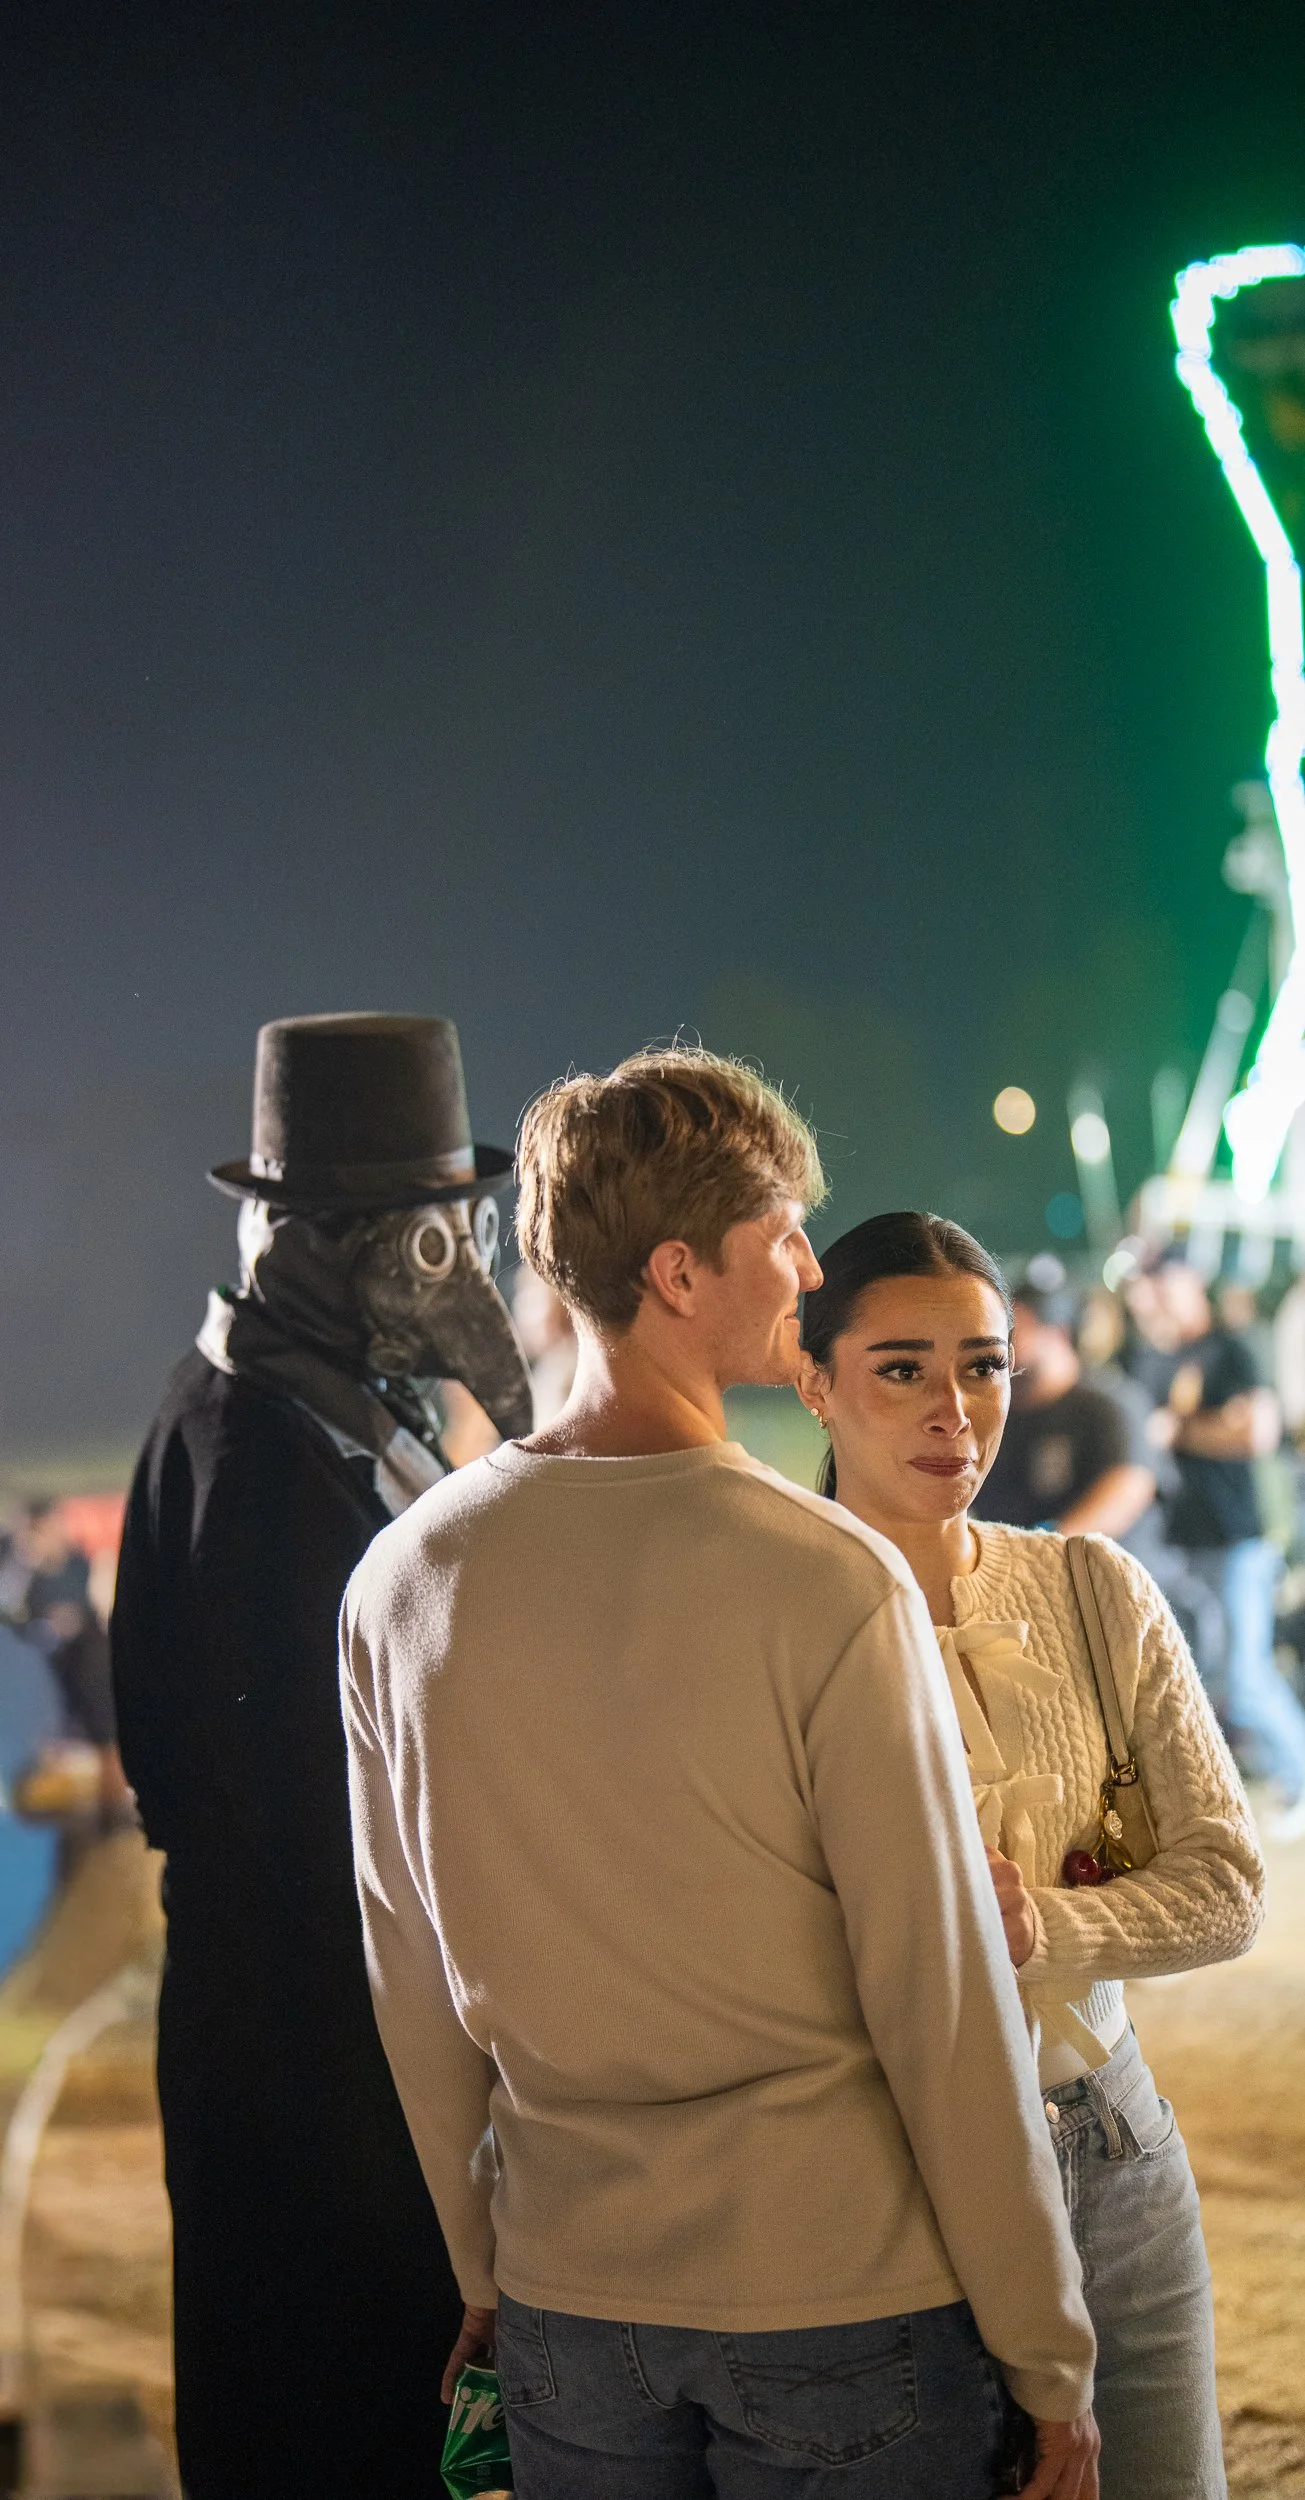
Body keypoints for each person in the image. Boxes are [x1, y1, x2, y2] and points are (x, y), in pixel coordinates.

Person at [342, 1046, 1099, 2500]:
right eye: (781, 1238)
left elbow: (413, 1982)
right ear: (680, 1274)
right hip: (842, 2299)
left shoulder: (402, 1579)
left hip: (570, 2298)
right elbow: (935, 1998)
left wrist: (481, 2269)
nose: (811, 1268)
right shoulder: (826, 1581)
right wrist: (1045, 2353)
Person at [111, 1013, 534, 2500]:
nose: (470, 1258)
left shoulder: (299, 1400)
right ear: (364, 1239)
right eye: (444, 1229)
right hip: (307, 2057)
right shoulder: (261, 1448)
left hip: (313, 2026)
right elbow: (304, 1812)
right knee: (328, 2405)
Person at [796, 1211, 1266, 2500]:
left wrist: (1040, 1932)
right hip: (887, 2164)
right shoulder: (767, 1618)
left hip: (1115, 2141)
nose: (956, 1406)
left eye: (985, 1363)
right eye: (903, 1367)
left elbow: (1227, 1885)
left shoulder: (1093, 1590)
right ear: (814, 1379)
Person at [1125, 1253, 1305, 1831]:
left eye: (1162, 1284)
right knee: (1202, 1675)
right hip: (1185, 1541)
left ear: (1190, 1281)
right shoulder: (1159, 1356)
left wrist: (1180, 1430)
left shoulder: (1234, 1345)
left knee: (1246, 1677)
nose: (1155, 1298)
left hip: (1240, 1537)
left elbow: (1255, 1431)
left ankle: (1299, 1778)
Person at [974, 1279, 1156, 1541]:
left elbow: (1128, 1487)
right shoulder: (996, 1409)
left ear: (1057, 1333)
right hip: (1016, 1570)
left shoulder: (1109, 1404)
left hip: (1096, 1572)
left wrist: (1047, 1546)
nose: (1000, 1341)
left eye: (1014, 1329)